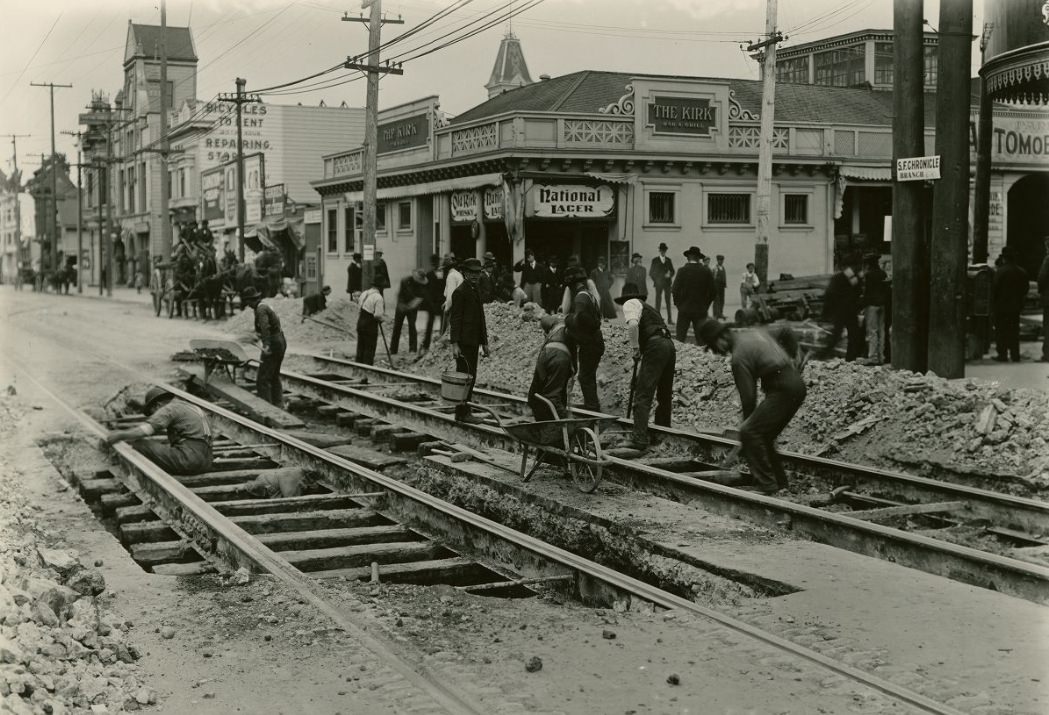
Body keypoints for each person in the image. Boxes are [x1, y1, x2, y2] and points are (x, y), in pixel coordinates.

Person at [698, 319, 806, 496]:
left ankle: (768, 487)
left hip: (782, 389)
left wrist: (746, 430)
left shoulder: (739, 357)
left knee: (751, 432)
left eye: (714, 346)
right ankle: (780, 484)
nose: (717, 351)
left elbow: (748, 399)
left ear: (722, 337)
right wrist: (794, 354)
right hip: (794, 383)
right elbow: (786, 330)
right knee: (764, 436)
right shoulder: (754, 333)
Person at [614, 282, 675, 451]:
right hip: (669, 345)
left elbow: (633, 325)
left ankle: (639, 439)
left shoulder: (630, 303)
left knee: (643, 393)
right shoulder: (649, 308)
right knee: (664, 394)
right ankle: (662, 437)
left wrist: (635, 348)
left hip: (655, 346)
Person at [103, 387, 213, 475]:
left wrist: (121, 435)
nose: (154, 415)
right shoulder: (190, 407)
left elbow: (144, 431)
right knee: (164, 445)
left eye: (153, 412)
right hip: (207, 461)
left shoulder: (169, 409)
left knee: (141, 445)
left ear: (157, 405)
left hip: (189, 460)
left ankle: (135, 476)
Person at [449, 258, 490, 421]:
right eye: (471, 272)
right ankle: (461, 412)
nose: (474, 275)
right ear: (465, 273)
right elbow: (455, 319)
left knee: (471, 376)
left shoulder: (475, 290)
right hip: (464, 343)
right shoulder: (460, 292)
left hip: (473, 342)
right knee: (464, 377)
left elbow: (481, 318)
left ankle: (465, 410)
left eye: (477, 272)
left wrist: (485, 342)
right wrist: (454, 344)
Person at [528, 315, 575, 445]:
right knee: (553, 395)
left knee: (538, 392)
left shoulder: (556, 326)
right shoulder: (568, 329)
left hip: (546, 355)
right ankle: (564, 421)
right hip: (559, 358)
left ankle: (547, 428)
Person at [563, 266, 604, 412]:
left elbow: (579, 318)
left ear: (573, 285)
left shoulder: (580, 297)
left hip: (590, 343)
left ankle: (592, 407)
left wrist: (568, 320)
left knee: (585, 376)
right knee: (588, 375)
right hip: (595, 341)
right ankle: (592, 404)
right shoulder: (588, 295)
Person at [242, 287, 286, 408]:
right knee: (274, 375)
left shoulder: (260, 309)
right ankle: (278, 404)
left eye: (247, 302)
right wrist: (255, 336)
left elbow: (265, 327)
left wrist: (266, 345)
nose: (247, 305)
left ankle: (266, 408)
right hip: (279, 340)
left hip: (273, 343)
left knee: (263, 378)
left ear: (251, 300)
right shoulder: (264, 306)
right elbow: (269, 326)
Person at [815, 261, 861, 361]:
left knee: (838, 335)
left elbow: (829, 296)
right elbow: (858, 291)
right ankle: (850, 358)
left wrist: (825, 314)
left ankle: (823, 355)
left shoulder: (838, 278)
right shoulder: (852, 278)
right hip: (848, 311)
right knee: (851, 335)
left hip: (841, 311)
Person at [992, 246, 1029, 363]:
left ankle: (1002, 355)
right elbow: (1025, 289)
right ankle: (1015, 355)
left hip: (1001, 306)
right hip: (1016, 306)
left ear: (1004, 258)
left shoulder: (1000, 272)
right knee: (1014, 331)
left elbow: (994, 289)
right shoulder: (1022, 272)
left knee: (1001, 330)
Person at [672, 246, 716, 344]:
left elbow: (674, 290)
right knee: (701, 342)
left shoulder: (682, 271)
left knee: (680, 340)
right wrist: (705, 305)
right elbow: (713, 292)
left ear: (688, 257)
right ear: (699, 258)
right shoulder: (706, 271)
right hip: (700, 310)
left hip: (684, 310)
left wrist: (679, 305)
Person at [391, 269, 427, 354]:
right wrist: (402, 306)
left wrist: (412, 306)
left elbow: (420, 298)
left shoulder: (422, 285)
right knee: (397, 327)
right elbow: (399, 295)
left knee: (412, 326)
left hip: (412, 308)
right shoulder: (405, 281)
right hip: (401, 305)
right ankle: (393, 349)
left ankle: (412, 349)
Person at [861, 256, 888, 365]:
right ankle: (882, 357)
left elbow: (867, 292)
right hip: (882, 305)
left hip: (872, 306)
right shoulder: (883, 274)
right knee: (882, 331)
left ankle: (873, 357)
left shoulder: (868, 275)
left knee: (872, 331)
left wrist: (863, 305)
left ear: (868, 264)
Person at [355, 284, 385, 365]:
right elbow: (378, 315)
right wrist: (382, 319)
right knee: (369, 348)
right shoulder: (378, 297)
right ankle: (367, 368)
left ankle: (358, 367)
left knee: (360, 347)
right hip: (370, 325)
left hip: (360, 322)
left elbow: (359, 307)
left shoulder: (364, 293)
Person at [422, 254, 445, 351]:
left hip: (442, 302)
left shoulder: (444, 274)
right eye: (433, 263)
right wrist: (430, 303)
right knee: (430, 324)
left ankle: (442, 343)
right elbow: (426, 290)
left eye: (436, 262)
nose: (435, 264)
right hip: (432, 303)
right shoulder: (429, 275)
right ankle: (426, 344)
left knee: (443, 323)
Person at [649, 242, 675, 324]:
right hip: (658, 284)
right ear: (659, 251)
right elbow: (651, 273)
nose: (663, 252)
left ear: (666, 251)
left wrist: (670, 275)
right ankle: (657, 320)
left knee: (668, 302)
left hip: (667, 284)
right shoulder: (655, 260)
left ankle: (669, 319)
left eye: (664, 250)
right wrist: (656, 280)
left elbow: (673, 271)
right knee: (658, 302)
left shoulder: (668, 260)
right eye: (661, 250)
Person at [441, 254, 464, 337]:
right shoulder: (458, 274)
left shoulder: (451, 276)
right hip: (460, 305)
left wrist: (447, 308)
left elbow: (451, 295)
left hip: (454, 307)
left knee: (449, 332)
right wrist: (446, 302)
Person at [1038, 236, 1049, 362]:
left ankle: (1047, 354)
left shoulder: (1048, 259)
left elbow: (1041, 278)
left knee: (1048, 327)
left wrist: (1041, 291)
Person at [713, 255, 728, 320]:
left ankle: (721, 313)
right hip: (716, 286)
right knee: (716, 300)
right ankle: (715, 314)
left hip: (722, 286)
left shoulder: (723, 267)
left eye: (722, 260)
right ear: (717, 260)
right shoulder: (715, 268)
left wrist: (725, 284)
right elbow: (713, 277)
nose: (721, 261)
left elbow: (724, 277)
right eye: (719, 260)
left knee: (722, 300)